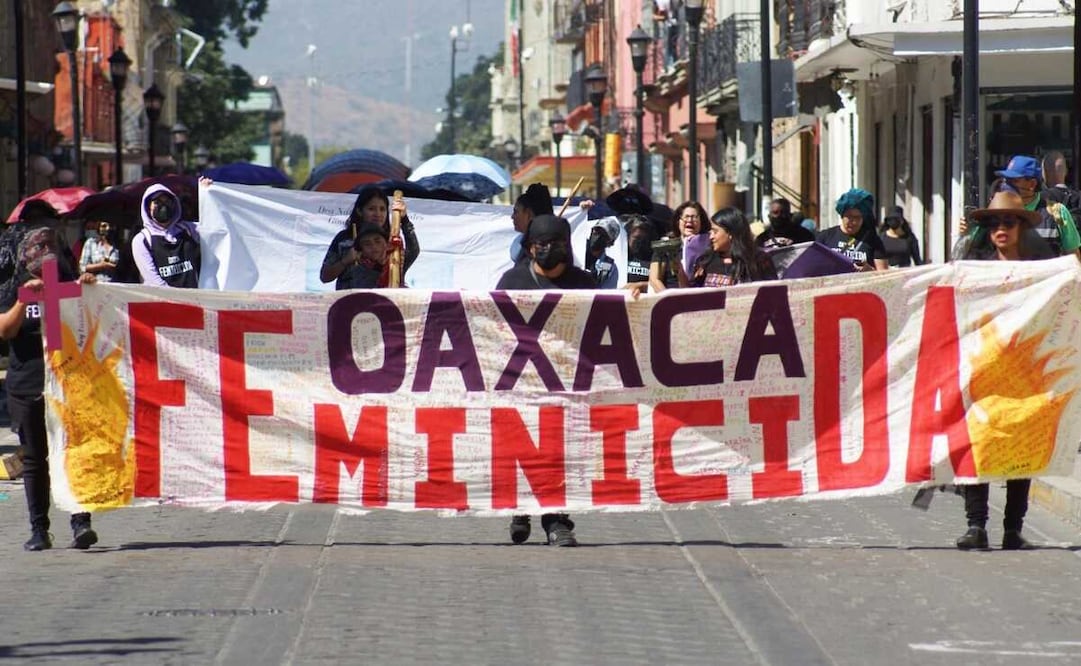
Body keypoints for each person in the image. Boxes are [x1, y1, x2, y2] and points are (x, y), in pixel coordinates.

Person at [953, 189, 1052, 550]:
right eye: (993, 222)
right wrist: (964, 241)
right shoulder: (975, 269)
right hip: (982, 369)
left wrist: (1073, 244)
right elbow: (949, 288)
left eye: (1008, 222)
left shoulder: (1042, 273)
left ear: (1020, 227)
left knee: (1020, 451)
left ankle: (1013, 530)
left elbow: (1072, 283)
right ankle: (976, 526)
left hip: (1025, 372)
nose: (1001, 229)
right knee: (976, 446)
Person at [495, 214, 595, 547]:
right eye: (542, 244)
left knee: (560, 451)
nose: (549, 250)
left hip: (567, 384)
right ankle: (521, 506)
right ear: (530, 247)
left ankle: (556, 521)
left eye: (556, 243)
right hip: (522, 382)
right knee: (524, 448)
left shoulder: (584, 284)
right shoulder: (512, 282)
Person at [0, 225, 98, 550]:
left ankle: (80, 522)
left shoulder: (68, 283)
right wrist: (25, 298)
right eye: (38, 252)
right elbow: (5, 330)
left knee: (72, 452)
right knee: (35, 459)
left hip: (68, 382)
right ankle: (39, 530)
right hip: (27, 384)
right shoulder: (14, 286)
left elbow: (93, 320)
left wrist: (90, 290)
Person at [320, 185, 419, 289]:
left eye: (382, 209)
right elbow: (324, 277)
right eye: (371, 209)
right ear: (359, 211)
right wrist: (344, 261)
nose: (378, 214)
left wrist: (404, 220)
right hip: (350, 302)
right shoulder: (344, 239)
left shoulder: (392, 241)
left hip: (386, 301)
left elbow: (413, 253)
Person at [994, 155, 1080, 258]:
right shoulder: (998, 214)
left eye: (1014, 181)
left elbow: (1074, 258)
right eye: (1006, 180)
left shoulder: (1057, 213)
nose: (1007, 186)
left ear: (1032, 184)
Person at [132, 184, 201, 288]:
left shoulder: (188, 229)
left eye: (167, 202)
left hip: (194, 299)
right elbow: (153, 281)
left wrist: (207, 191)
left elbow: (215, 229)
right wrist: (178, 299)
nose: (163, 206)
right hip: (163, 301)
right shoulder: (142, 240)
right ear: (148, 207)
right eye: (157, 202)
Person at [691, 208, 777, 287]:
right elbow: (694, 293)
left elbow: (771, 294)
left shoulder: (758, 261)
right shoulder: (706, 261)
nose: (711, 237)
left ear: (730, 234)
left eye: (715, 231)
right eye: (711, 232)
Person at [817, 188, 889, 271]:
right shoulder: (825, 237)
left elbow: (884, 274)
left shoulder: (873, 240)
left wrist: (870, 270)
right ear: (842, 216)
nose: (853, 222)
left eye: (857, 217)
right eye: (849, 216)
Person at [649, 201, 709, 292]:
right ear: (678, 221)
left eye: (694, 217)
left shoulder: (709, 246)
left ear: (702, 222)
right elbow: (654, 280)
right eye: (686, 217)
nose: (690, 220)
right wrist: (670, 299)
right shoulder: (665, 244)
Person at [508, 183, 553, 264]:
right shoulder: (520, 242)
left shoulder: (550, 246)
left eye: (516, 212)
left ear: (529, 214)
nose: (512, 217)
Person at [622, 215, 654, 297]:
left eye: (644, 239)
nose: (640, 242)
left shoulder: (652, 258)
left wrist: (640, 285)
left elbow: (658, 282)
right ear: (628, 236)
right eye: (637, 238)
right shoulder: (618, 256)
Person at [584, 218, 621, 289]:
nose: (597, 237)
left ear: (610, 242)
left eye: (603, 235)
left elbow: (607, 296)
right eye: (596, 232)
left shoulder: (610, 267)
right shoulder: (576, 249)